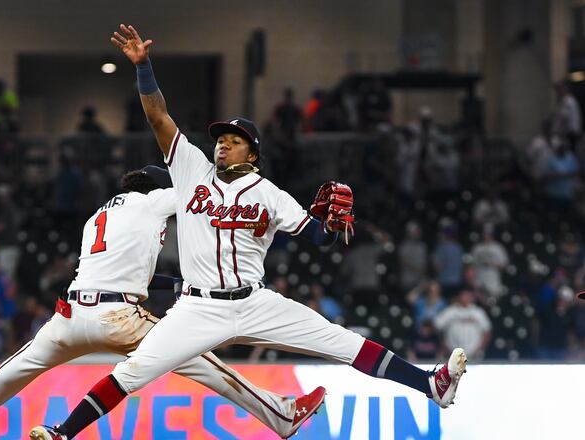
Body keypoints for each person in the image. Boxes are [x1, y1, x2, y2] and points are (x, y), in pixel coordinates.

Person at [34, 24, 468, 440]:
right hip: (197, 309)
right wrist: (143, 67)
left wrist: (332, 228)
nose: (222, 142)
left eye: (234, 139)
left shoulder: (270, 193)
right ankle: (61, 433)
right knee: (131, 373)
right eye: (220, 137)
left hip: (254, 301)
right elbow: (158, 116)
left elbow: (317, 237)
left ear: (252, 152)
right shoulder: (190, 170)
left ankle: (431, 385)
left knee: (343, 342)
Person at [0, 167, 308, 438]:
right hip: (119, 317)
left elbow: (123, 270)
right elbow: (200, 191)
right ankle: (280, 414)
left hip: (72, 314)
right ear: (156, 188)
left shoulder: (98, 217)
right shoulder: (152, 201)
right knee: (203, 361)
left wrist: (175, 283)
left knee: (28, 360)